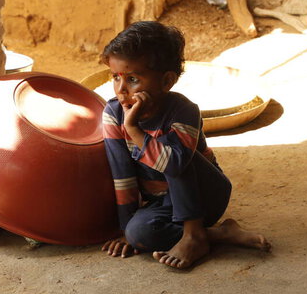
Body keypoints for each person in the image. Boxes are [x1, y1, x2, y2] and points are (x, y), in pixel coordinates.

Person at [99, 21, 271, 269]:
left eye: (133, 79)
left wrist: (134, 130)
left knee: (175, 156)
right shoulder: (113, 113)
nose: (121, 89)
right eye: (116, 77)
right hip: (163, 204)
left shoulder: (183, 111)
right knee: (140, 234)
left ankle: (193, 233)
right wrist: (126, 230)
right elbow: (122, 175)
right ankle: (218, 234)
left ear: (166, 81)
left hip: (206, 196)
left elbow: (175, 164)